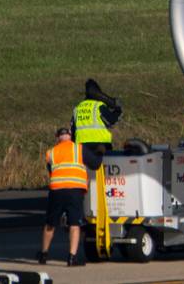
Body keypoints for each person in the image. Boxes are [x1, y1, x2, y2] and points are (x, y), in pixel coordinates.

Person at [37, 127, 87, 267]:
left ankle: (44, 254)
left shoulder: (51, 152)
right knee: (74, 224)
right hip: (74, 190)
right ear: (70, 136)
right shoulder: (79, 149)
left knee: (50, 223)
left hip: (57, 190)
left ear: (57, 137)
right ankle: (72, 258)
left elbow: (50, 169)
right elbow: (94, 162)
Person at [71, 79, 122, 170]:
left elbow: (73, 130)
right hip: (101, 145)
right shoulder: (98, 106)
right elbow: (111, 121)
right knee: (105, 171)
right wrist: (118, 111)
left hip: (82, 147)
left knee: (86, 172)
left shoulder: (78, 108)